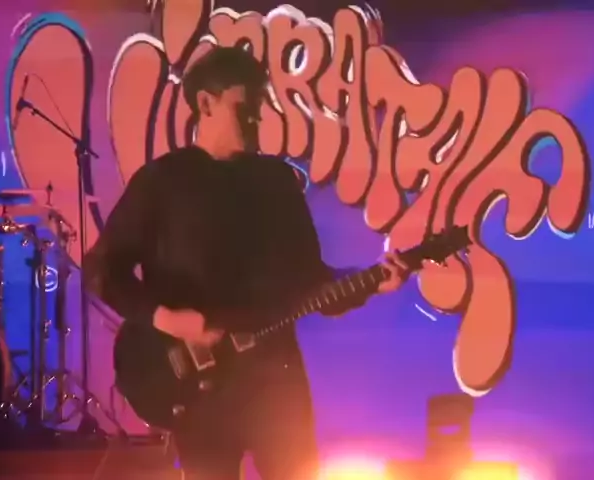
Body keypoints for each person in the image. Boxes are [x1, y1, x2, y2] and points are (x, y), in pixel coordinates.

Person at [83, 46, 411, 480]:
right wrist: (166, 319)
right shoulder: (163, 181)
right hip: (201, 389)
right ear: (206, 103)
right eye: (245, 106)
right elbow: (102, 270)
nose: (256, 118)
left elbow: (311, 284)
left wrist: (371, 283)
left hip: (276, 381)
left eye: (259, 107)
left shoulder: (277, 182)